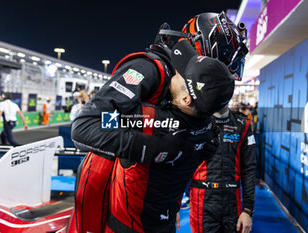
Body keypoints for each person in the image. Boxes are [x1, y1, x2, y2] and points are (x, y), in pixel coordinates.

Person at [69, 11, 248, 233]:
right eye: (223, 56)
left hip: (154, 206)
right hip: (109, 185)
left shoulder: (201, 87)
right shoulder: (151, 70)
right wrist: (155, 148)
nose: (224, 69)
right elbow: (88, 126)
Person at [105, 40, 235, 233]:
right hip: (165, 223)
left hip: (127, 226)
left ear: (186, 99)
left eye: (180, 74)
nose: (173, 72)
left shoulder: (151, 119)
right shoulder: (209, 129)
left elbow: (96, 123)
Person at [186, 105, 256, 233]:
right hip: (202, 201)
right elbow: (179, 166)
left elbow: (249, 169)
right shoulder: (195, 121)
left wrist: (248, 210)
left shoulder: (242, 124)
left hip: (232, 202)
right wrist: (172, 206)